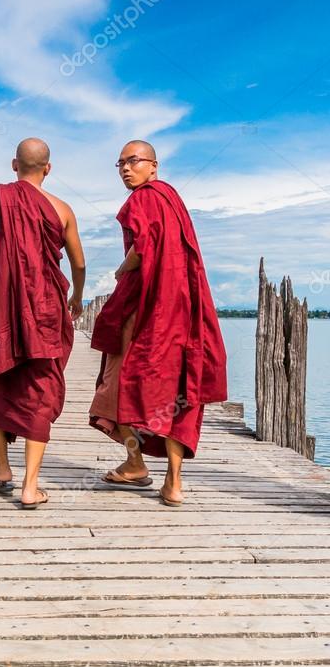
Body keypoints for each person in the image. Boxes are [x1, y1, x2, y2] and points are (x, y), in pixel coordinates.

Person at [89, 140, 227, 506]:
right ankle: (173, 483)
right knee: (179, 391)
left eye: (133, 161)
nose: (125, 168)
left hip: (148, 308)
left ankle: (135, 463)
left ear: (154, 165)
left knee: (119, 383)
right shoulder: (172, 199)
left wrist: (121, 269)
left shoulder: (146, 197)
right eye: (120, 163)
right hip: (184, 310)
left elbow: (144, 245)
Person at [0, 137, 86, 508]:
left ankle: (2, 469)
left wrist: (6, 268)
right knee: (40, 387)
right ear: (48, 169)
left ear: (14, 165)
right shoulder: (62, 209)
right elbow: (79, 264)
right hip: (48, 306)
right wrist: (77, 297)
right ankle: (30, 487)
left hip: (3, 304)